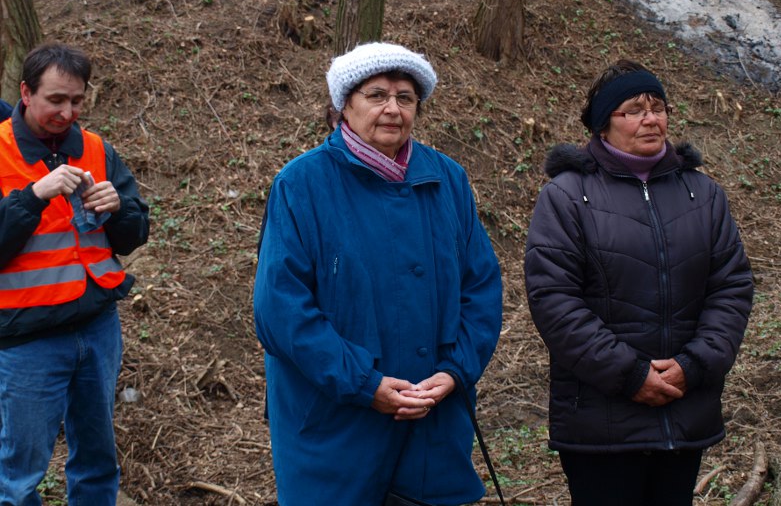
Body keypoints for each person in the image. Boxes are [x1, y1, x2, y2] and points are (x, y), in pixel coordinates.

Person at [253, 42, 503, 506]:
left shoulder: (448, 180)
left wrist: (456, 371)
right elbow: (280, 311)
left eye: (405, 97)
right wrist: (364, 384)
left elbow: (482, 289)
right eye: (376, 95)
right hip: (335, 431)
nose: (393, 108)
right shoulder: (301, 184)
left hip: (433, 425)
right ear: (344, 105)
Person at [523, 59, 753, 506]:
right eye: (633, 109)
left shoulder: (701, 194)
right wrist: (631, 375)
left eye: (658, 107)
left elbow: (731, 287)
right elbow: (554, 300)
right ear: (603, 125)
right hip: (600, 418)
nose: (650, 118)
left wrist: (696, 364)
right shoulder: (568, 196)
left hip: (684, 410)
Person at [0, 43, 150, 505]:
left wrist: (118, 209)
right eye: (56, 100)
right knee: (19, 475)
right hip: (28, 338)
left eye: (77, 101)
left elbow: (135, 233)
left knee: (97, 461)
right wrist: (31, 198)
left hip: (97, 328)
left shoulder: (96, 149)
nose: (67, 112)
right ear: (26, 93)